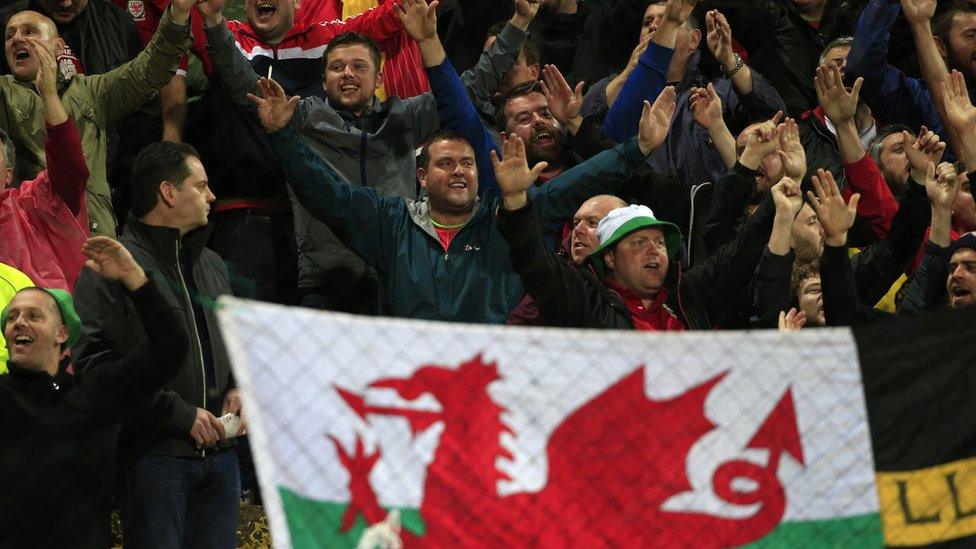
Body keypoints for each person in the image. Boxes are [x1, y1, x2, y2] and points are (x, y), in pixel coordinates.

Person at [249, 68, 676, 323]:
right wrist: (283, 137)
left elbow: (574, 185)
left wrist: (635, 149)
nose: (459, 172)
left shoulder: (504, 223)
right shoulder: (390, 222)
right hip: (414, 385)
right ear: (421, 174)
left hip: (488, 383)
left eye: (468, 164)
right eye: (446, 164)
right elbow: (328, 195)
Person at [72, 141, 241, 547]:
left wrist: (241, 386)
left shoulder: (214, 266)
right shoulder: (111, 267)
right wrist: (178, 414)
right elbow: (95, 368)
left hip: (222, 462)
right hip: (152, 459)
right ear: (168, 192)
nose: (212, 196)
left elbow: (236, 347)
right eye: (201, 187)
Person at [0, 236, 189, 548]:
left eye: (34, 315)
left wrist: (133, 277)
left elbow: (170, 347)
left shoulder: (97, 394)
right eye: (12, 317)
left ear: (63, 334)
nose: (20, 322)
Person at [0, 0, 192, 237]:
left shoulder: (91, 92)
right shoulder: (4, 94)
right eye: (10, 36)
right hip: (35, 241)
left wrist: (179, 13)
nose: (17, 38)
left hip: (96, 237)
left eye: (30, 31)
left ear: (58, 47)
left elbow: (151, 69)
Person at [594, 0, 785, 187]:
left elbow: (774, 115)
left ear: (693, 40)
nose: (654, 27)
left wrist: (729, 60)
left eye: (665, 20)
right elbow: (580, 129)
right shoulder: (617, 86)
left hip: (705, 208)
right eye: (647, 22)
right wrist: (627, 75)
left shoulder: (714, 93)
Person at [0, 35, 89, 293]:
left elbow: (70, 166)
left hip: (46, 325)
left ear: (7, 176)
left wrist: (49, 94)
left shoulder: (34, 204)